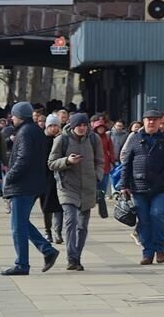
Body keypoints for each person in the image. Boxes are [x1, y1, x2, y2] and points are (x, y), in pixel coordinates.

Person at [1, 102, 60, 275]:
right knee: (21, 222)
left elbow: (23, 159)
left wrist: (9, 177)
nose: (12, 118)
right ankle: (47, 250)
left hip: (23, 184)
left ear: (19, 116)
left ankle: (22, 264)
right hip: (32, 183)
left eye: (13, 115)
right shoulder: (33, 130)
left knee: (17, 226)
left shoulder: (25, 132)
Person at [47, 113, 103, 271]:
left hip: (87, 188)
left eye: (85, 125)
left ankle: (77, 257)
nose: (82, 128)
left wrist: (97, 176)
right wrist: (67, 161)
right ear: (72, 125)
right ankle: (71, 258)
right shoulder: (62, 139)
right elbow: (51, 163)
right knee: (70, 221)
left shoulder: (94, 139)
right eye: (79, 125)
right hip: (68, 187)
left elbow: (100, 161)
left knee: (82, 226)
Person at [121, 110, 164, 265]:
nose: (151, 122)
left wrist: (163, 175)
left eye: (154, 120)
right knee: (144, 220)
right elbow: (126, 163)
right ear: (143, 122)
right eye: (148, 120)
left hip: (158, 186)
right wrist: (124, 185)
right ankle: (148, 252)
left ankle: (160, 248)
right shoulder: (135, 139)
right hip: (138, 187)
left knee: (158, 214)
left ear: (160, 122)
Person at [39, 114, 64, 244]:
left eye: (56, 126)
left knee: (60, 206)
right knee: (47, 206)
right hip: (45, 178)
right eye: (51, 126)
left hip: (60, 177)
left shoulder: (63, 140)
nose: (53, 128)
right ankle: (47, 231)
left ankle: (58, 232)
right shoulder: (42, 140)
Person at [90, 117, 115, 219]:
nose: (101, 129)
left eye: (102, 128)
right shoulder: (91, 137)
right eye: (98, 128)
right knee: (95, 188)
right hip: (94, 164)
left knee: (103, 188)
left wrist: (113, 160)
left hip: (105, 164)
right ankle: (98, 200)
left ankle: (102, 207)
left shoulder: (107, 137)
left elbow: (111, 150)